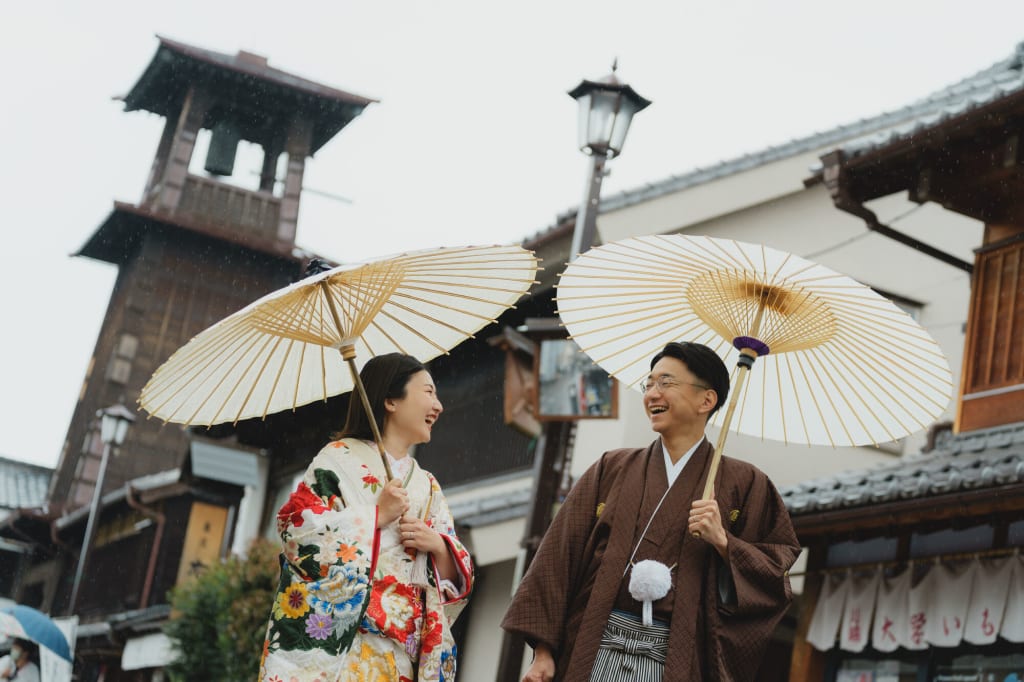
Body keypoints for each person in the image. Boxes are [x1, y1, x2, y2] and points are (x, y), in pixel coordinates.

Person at [502, 341, 801, 681]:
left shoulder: (746, 483)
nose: (652, 394)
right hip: (593, 647)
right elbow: (557, 560)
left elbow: (774, 575)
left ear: (707, 400)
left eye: (666, 383)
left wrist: (724, 543)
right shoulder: (611, 468)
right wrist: (543, 652)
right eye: (649, 384)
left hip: (678, 659)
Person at [259, 353, 473, 682]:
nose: (439, 405)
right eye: (428, 392)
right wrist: (375, 515)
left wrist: (439, 547)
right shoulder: (337, 460)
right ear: (390, 400)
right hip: (344, 647)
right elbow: (297, 531)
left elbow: (453, 577)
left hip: (401, 656)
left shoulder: (427, 486)